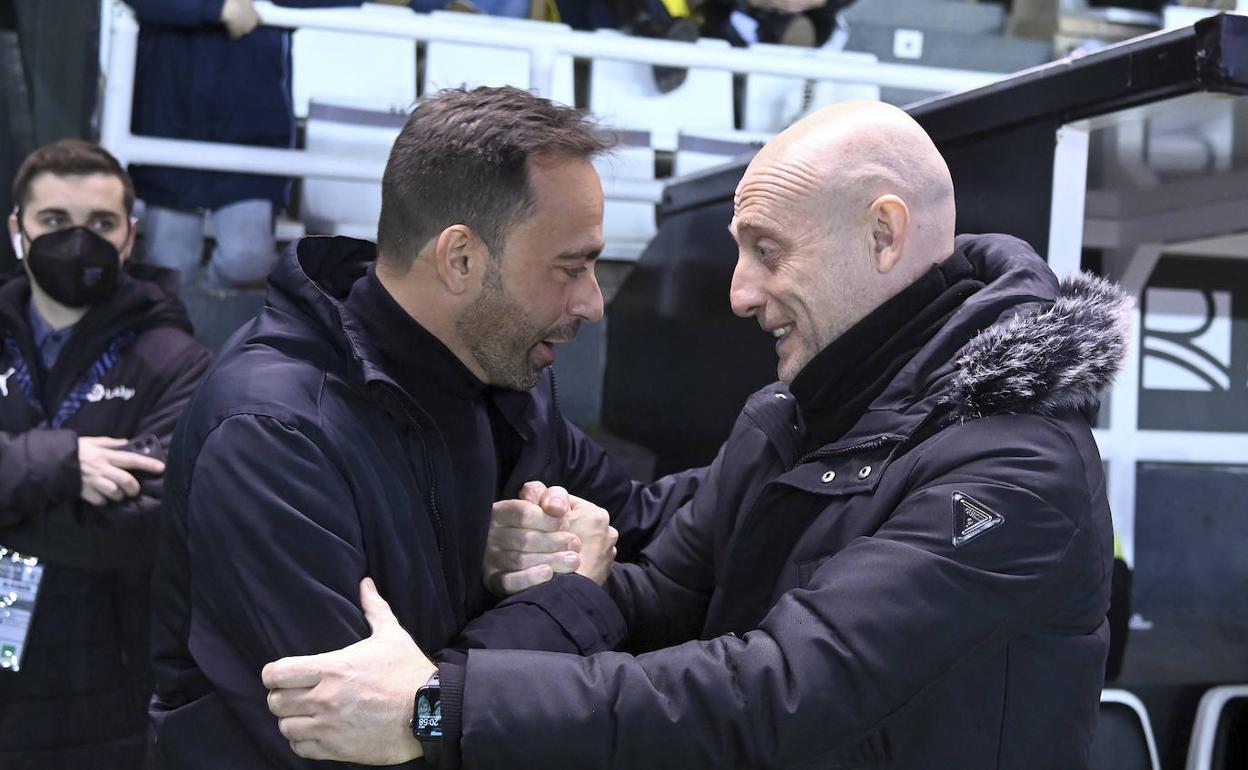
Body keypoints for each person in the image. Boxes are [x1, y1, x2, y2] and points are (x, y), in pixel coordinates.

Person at [263, 100, 1130, 769]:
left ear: (884, 234)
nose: (741, 293)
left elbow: (776, 691)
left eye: (768, 250)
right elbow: (665, 598)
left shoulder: (1016, 469)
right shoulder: (788, 419)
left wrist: (435, 705)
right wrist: (575, 570)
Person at [148, 86, 701, 769]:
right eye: (570, 267)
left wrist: (804, 443)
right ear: (460, 259)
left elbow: (646, 519)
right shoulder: (272, 436)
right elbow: (375, 741)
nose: (593, 303)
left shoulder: (504, 377)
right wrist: (571, 600)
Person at [0, 139, 211, 769]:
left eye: (100, 223)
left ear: (129, 237)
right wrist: (59, 465)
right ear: (18, 230)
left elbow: (141, 526)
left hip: (105, 696)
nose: (77, 240)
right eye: (54, 222)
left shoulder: (179, 363)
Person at [124, 0, 366, 290]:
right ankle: (180, 330)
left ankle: (209, 326)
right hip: (169, 129)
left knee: (247, 261)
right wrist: (216, 8)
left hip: (251, 135)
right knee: (171, 269)